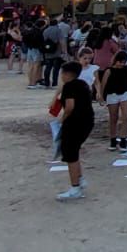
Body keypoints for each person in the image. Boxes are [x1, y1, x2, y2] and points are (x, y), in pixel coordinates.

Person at [54, 60, 94, 200]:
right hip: (87, 121)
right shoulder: (83, 84)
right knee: (74, 151)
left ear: (66, 74)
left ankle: (75, 187)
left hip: (75, 122)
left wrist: (62, 120)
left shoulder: (69, 87)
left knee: (70, 154)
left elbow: (70, 106)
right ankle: (80, 179)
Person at [98, 50, 127, 151]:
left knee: (126, 117)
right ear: (116, 61)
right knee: (113, 118)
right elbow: (103, 85)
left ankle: (123, 139)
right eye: (120, 62)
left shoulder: (126, 69)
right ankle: (113, 139)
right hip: (112, 94)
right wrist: (101, 96)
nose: (121, 64)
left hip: (125, 93)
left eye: (123, 62)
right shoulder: (109, 71)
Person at [22, 20, 46, 90]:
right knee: (36, 66)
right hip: (37, 49)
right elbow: (41, 42)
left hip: (30, 49)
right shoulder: (39, 32)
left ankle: (30, 82)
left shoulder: (29, 31)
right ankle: (34, 82)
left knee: (30, 66)